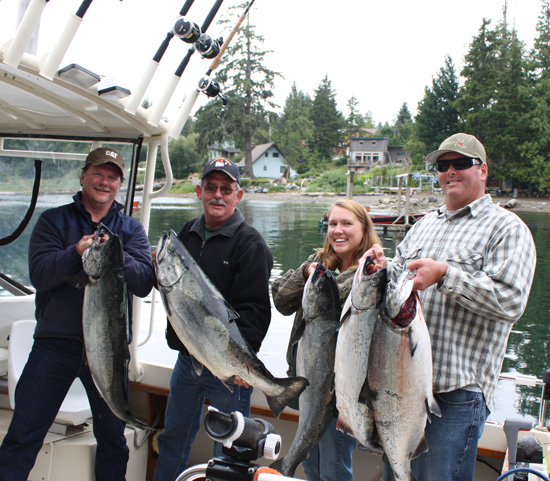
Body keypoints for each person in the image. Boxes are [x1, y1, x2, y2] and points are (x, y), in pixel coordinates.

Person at [364, 133, 537, 481]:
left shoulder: (508, 229)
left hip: (457, 395)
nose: (450, 172)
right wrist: (378, 271)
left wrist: (445, 275)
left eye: (461, 163)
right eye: (443, 166)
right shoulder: (424, 224)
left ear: (483, 170)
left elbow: (511, 301)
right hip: (399, 385)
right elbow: (397, 281)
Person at [0, 147, 156, 481]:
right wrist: (76, 252)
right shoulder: (53, 221)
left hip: (110, 350)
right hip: (54, 347)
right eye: (98, 174)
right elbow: (40, 274)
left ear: (120, 185)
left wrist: (111, 253)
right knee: (23, 436)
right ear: (83, 176)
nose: (104, 182)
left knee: (114, 439)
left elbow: (144, 282)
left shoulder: (129, 229)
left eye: (112, 177)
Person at [153, 157, 274, 481]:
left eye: (225, 188)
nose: (217, 195)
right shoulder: (187, 235)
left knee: (231, 451)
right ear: (199, 191)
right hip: (186, 361)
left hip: (227, 370)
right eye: (211, 187)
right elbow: (171, 290)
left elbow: (256, 312)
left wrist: (241, 364)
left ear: (239, 195)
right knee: (172, 441)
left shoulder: (252, 244)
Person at [272, 198, 382, 481]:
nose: (338, 231)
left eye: (347, 223)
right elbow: (281, 300)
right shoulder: (317, 265)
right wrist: (307, 272)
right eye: (333, 224)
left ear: (364, 228)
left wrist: (319, 279)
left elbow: (348, 301)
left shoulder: (370, 275)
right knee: (312, 469)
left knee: (333, 470)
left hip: (343, 396)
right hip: (307, 382)